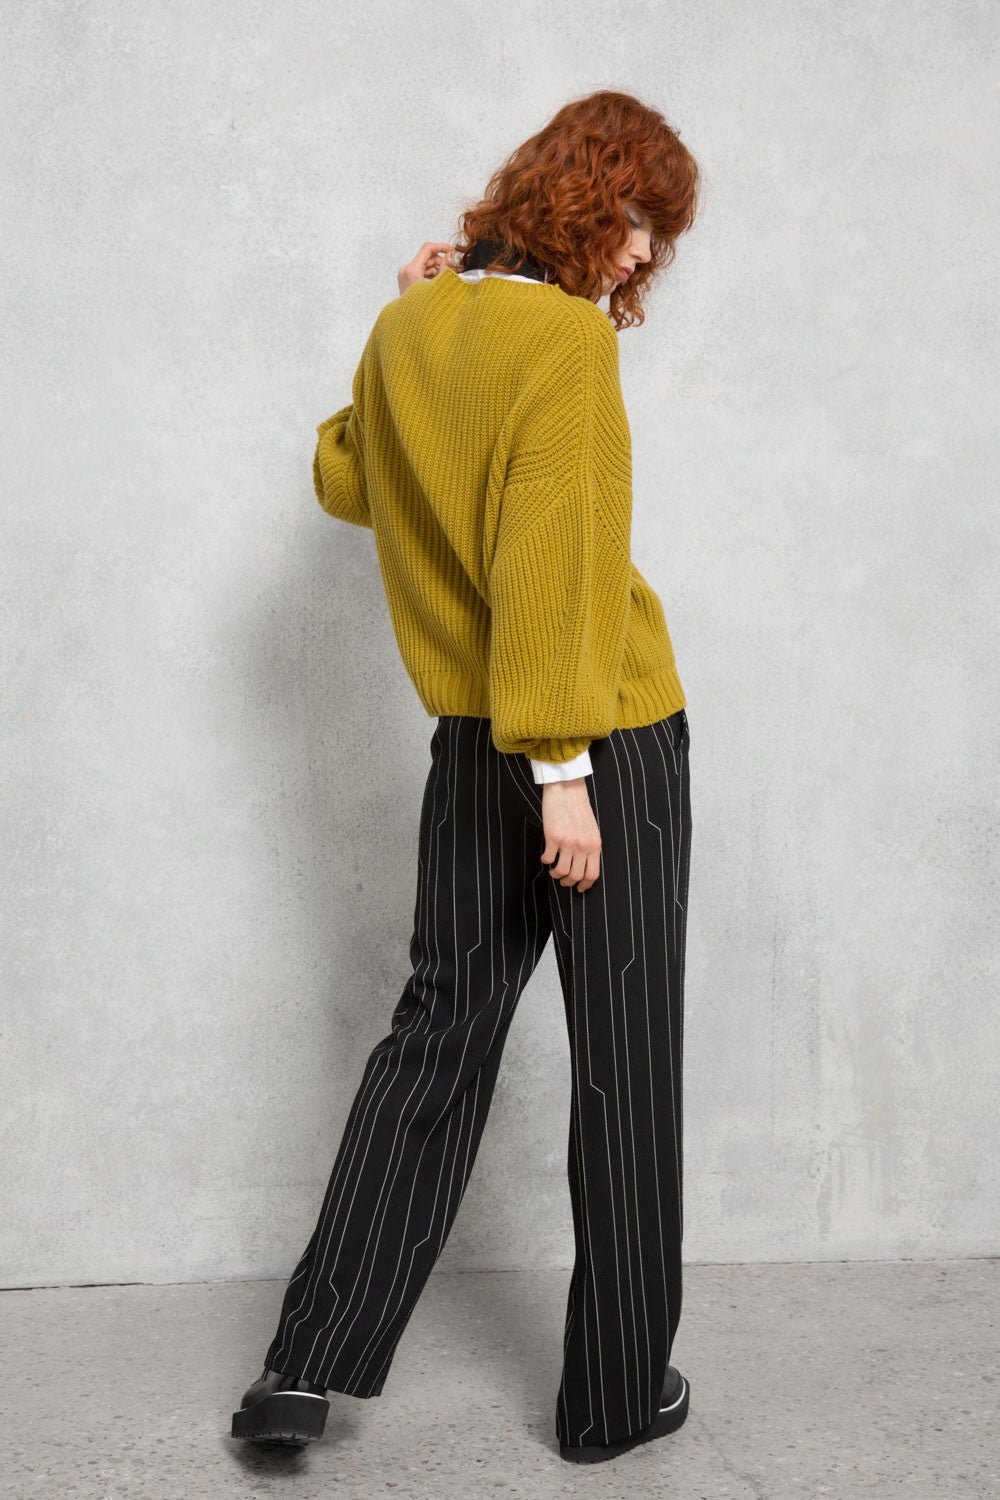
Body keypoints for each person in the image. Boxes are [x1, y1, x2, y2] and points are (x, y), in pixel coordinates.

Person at [231, 87, 700, 1465]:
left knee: (436, 1035)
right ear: (580, 196)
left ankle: (303, 1369)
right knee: (625, 1064)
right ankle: (614, 1397)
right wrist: (565, 773)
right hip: (598, 743)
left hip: (467, 743)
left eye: (656, 235)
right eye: (635, 219)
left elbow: (348, 480)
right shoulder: (566, 345)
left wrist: (406, 332)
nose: (641, 254)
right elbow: (553, 563)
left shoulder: (412, 324)